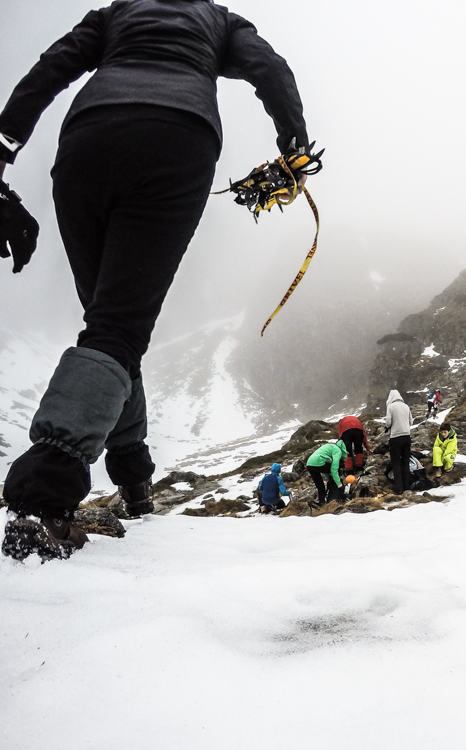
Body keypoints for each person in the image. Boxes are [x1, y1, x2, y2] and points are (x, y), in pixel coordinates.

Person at [0, 0, 313, 561]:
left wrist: (0, 154)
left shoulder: (116, 15)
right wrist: (294, 145)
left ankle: (134, 482)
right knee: (118, 328)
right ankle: (42, 498)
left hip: (86, 141)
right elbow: (271, 70)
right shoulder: (218, 22)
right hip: (177, 139)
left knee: (112, 328)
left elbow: (49, 68)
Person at [385, 389, 412, 494]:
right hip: (407, 436)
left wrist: (389, 427)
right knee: (405, 461)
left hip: (395, 437)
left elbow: (388, 422)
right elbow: (411, 421)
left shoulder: (390, 407)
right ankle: (407, 486)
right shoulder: (406, 406)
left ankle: (398, 488)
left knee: (396, 462)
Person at [306, 440, 348, 505]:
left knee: (320, 486)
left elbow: (325, 470)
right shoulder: (338, 450)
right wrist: (339, 485)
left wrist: (329, 479)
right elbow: (334, 470)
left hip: (309, 464)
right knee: (337, 468)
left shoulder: (330, 447)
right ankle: (336, 493)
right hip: (318, 461)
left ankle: (321, 503)